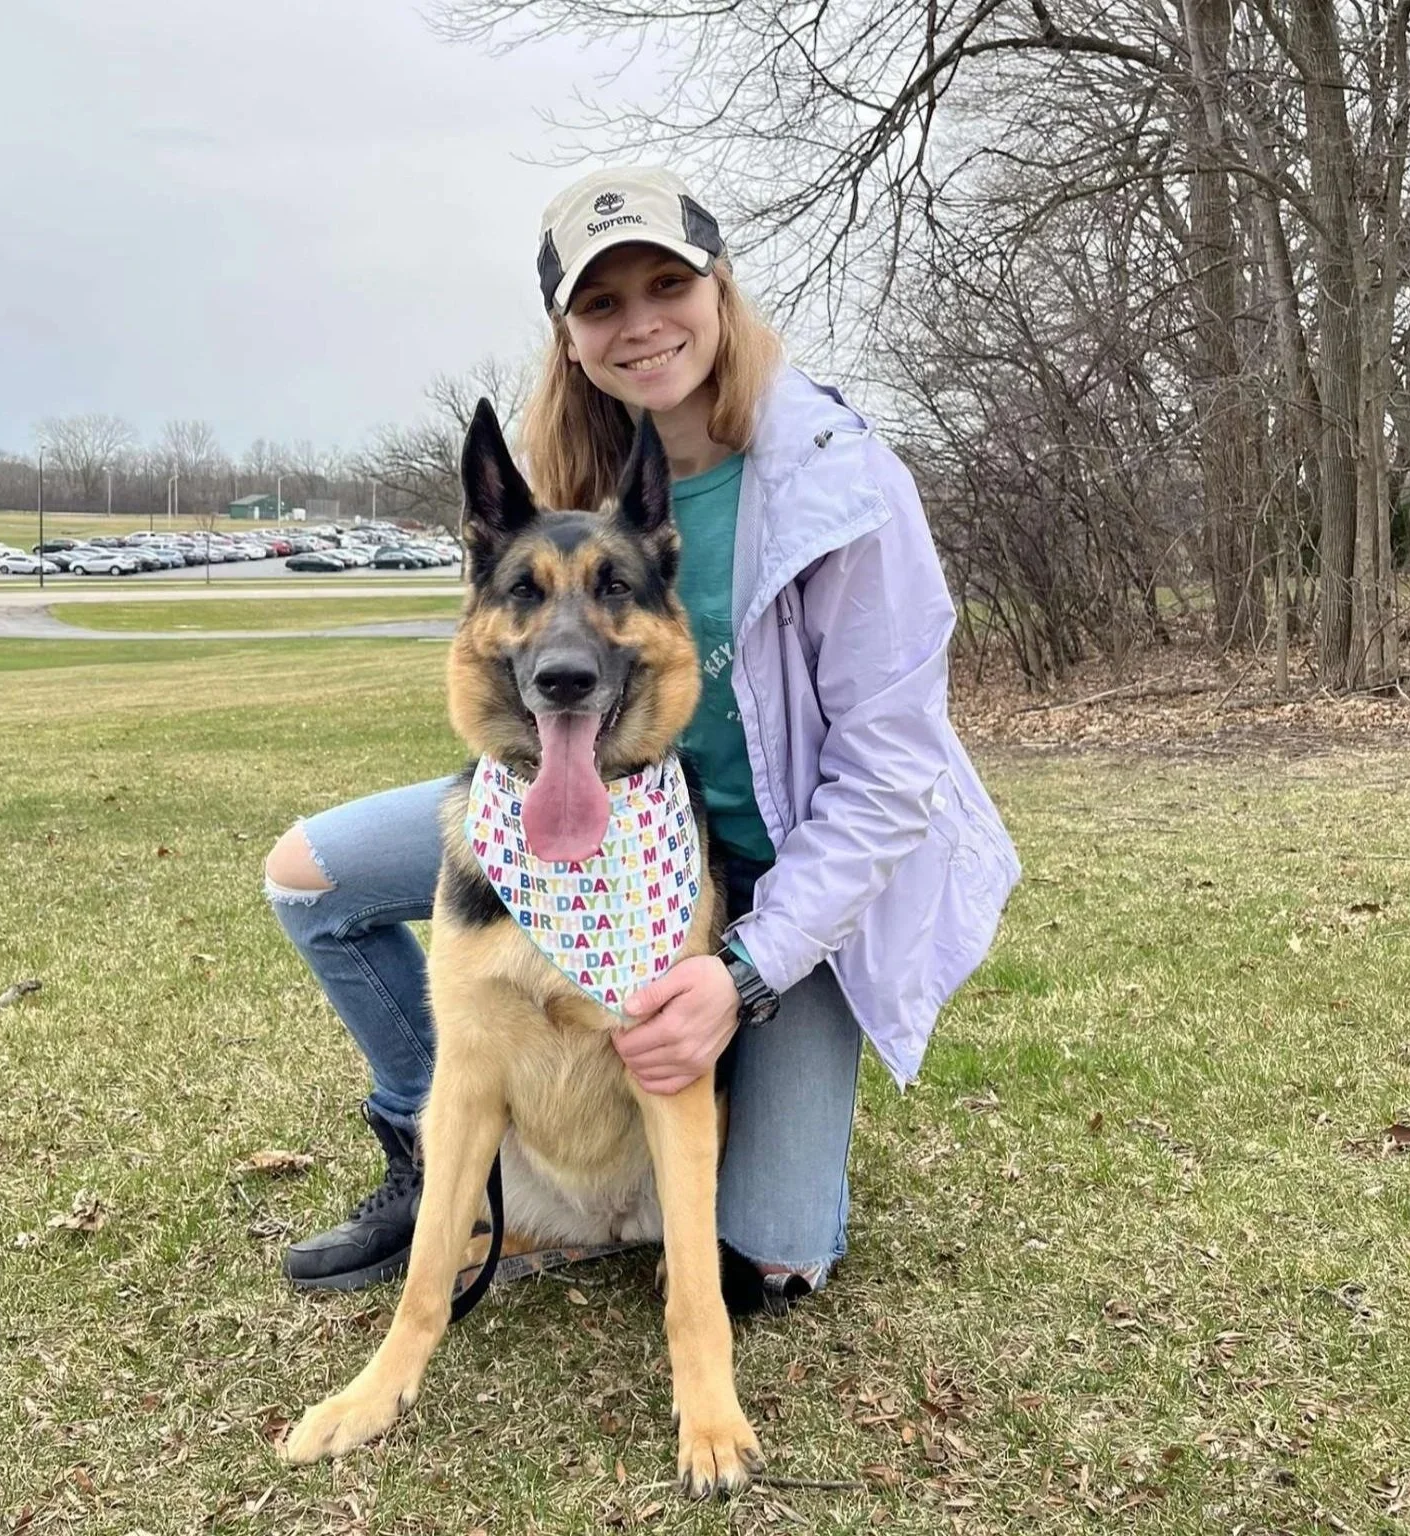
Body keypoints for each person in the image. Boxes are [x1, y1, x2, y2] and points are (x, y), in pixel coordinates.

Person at [263, 166, 1021, 1311]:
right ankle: (448, 1163)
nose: (642, 322)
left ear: (720, 290)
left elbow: (891, 773)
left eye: (668, 283)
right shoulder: (574, 478)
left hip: (777, 873)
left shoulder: (840, 481)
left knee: (769, 1257)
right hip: (589, 806)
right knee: (308, 878)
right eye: (602, 304)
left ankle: (732, 1087)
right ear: (568, 338)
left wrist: (744, 975)